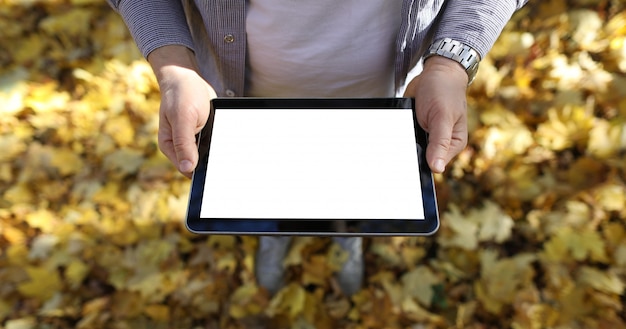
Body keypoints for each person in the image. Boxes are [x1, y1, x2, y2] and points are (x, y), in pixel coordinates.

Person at [107, 0, 528, 295]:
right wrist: (175, 68)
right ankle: (274, 230)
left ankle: (347, 234)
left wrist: (449, 64)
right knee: (266, 191)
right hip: (242, 102)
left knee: (354, 190)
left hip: (384, 99)